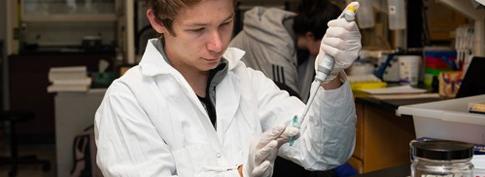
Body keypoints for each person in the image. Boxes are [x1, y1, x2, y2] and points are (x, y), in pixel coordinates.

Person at [94, 0, 361, 177]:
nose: (217, 44)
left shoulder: (248, 81)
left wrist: (331, 76)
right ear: (157, 22)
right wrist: (241, 174)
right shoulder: (128, 100)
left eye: (225, 24)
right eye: (198, 29)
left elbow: (324, 152)